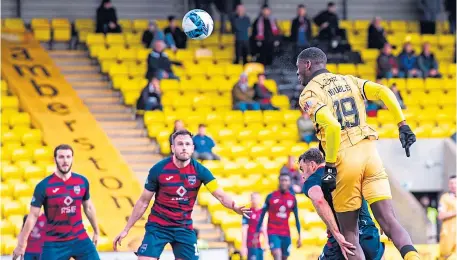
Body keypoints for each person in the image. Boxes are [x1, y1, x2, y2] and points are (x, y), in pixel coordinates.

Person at [296, 47, 419, 260]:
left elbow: (333, 127)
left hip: (345, 159)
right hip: (371, 153)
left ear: (307, 65)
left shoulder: (309, 93)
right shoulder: (349, 80)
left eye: (298, 69)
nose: (297, 74)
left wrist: (331, 166)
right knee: (389, 221)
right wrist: (402, 124)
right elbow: (384, 92)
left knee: (350, 235)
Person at [113, 130, 250, 260]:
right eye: (180, 144)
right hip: (158, 227)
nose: (184, 147)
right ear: (173, 148)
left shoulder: (201, 171)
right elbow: (143, 202)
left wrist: (234, 206)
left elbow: (220, 195)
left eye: (187, 144)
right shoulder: (159, 169)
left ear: (192, 148)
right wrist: (126, 229)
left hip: (183, 228)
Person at [13, 144, 100, 260]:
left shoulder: (82, 181)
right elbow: (33, 216)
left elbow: (88, 207)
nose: (65, 161)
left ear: (72, 158)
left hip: (80, 238)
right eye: (61, 157)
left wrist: (96, 231)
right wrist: (21, 244)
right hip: (54, 243)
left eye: (68, 157)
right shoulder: (43, 186)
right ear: (55, 160)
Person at [299, 148, 385, 260]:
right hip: (368, 231)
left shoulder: (313, 179)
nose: (302, 175)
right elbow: (372, 190)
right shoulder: (345, 170)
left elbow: (319, 200)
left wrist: (336, 234)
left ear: (312, 165)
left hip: (345, 238)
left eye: (302, 169)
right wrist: (383, 218)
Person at [256, 174, 302, 260]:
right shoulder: (271, 197)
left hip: (286, 233)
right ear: (279, 181)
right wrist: (256, 235)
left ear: (289, 182)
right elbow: (262, 216)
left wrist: (299, 236)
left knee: (284, 257)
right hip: (273, 231)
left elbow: (297, 218)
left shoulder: (292, 198)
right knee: (277, 256)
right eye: (282, 180)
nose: (284, 182)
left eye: (286, 180)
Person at [242, 192, 268, 260]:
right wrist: (243, 246)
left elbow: (264, 228)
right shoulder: (247, 212)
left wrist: (266, 242)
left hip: (260, 243)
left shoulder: (263, 212)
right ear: (250, 200)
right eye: (253, 198)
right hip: (251, 243)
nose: (255, 200)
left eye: (256, 198)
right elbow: (244, 229)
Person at [438, 175, 456, 260]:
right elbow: (440, 215)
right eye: (451, 183)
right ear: (449, 185)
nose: (454, 185)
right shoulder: (445, 198)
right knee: (445, 257)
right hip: (448, 235)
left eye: (455, 183)